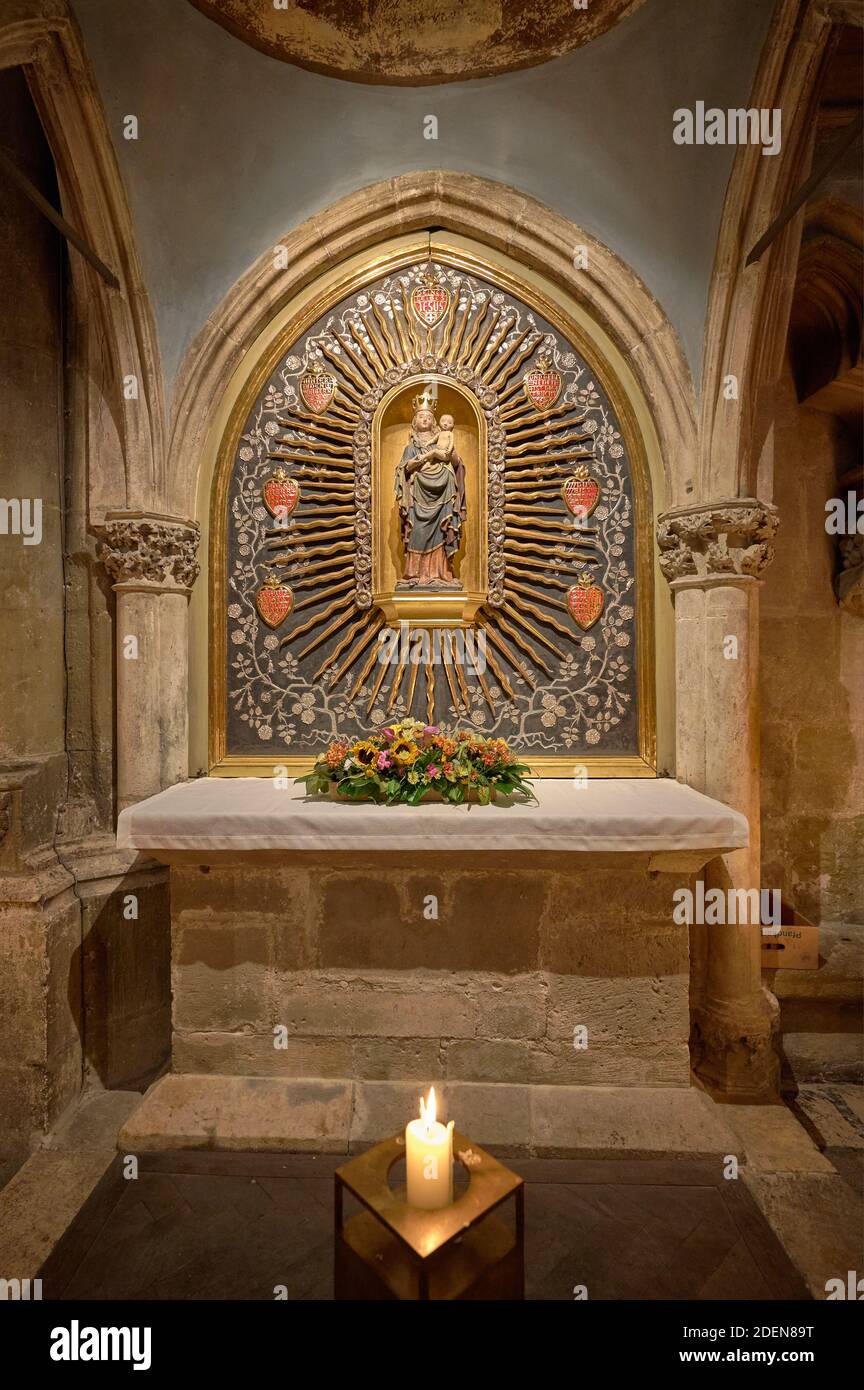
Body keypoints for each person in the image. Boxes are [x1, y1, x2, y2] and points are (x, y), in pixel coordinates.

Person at [395, 408, 465, 588]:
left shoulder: (442, 439)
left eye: (428, 417)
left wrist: (450, 451)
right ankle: (414, 573)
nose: (425, 419)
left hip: (443, 490)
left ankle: (442, 574)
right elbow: (405, 468)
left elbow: (456, 463)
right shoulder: (411, 447)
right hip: (419, 495)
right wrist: (419, 460)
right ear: (414, 421)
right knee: (418, 531)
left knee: (442, 531)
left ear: (434, 422)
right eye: (421, 416)